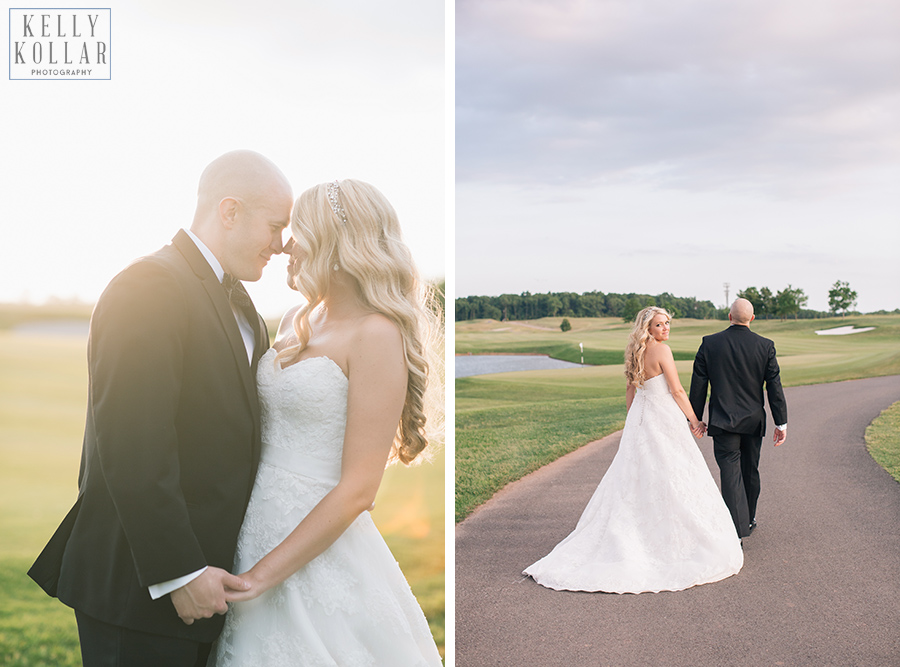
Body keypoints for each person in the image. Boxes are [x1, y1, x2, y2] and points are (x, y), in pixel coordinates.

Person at [28, 150, 294, 666]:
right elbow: (132, 446)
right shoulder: (148, 286)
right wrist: (180, 573)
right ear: (230, 211)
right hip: (141, 591)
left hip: (213, 591)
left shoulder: (247, 309)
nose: (283, 246)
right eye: (276, 226)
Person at [211, 179, 443, 665]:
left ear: (337, 245)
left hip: (315, 547)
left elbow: (359, 488)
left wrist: (262, 576)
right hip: (252, 524)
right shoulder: (297, 318)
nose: (285, 245)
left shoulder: (376, 334)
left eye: (299, 233)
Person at [524, 307, 743, 594]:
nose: (665, 328)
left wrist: (632, 420)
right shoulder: (662, 351)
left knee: (636, 475)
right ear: (648, 328)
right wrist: (694, 420)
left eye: (667, 323)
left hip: (642, 414)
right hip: (663, 415)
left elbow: (630, 390)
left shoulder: (634, 351)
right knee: (672, 474)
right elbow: (677, 391)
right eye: (659, 324)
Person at [689, 298, 788, 539]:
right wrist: (781, 422)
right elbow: (774, 386)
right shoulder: (765, 346)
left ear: (729, 316)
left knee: (730, 474)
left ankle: (737, 529)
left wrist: (695, 418)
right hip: (753, 422)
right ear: (752, 319)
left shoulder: (709, 344)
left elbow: (699, 384)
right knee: (749, 471)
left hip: (723, 422)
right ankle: (748, 520)